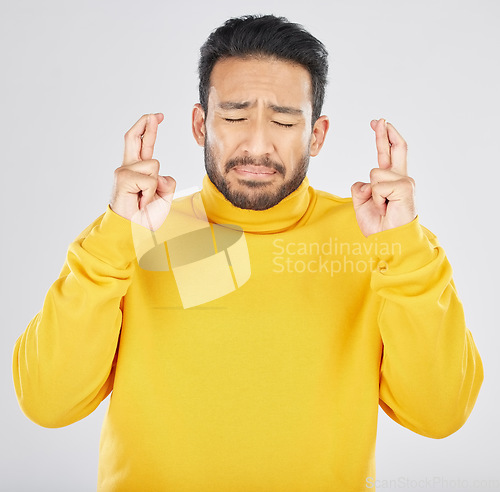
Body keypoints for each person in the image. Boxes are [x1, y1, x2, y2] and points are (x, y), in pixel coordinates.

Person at [13, 14, 483, 492]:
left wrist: (401, 248)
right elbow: (48, 403)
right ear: (200, 123)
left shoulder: (380, 241)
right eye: (234, 117)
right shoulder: (134, 234)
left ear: (316, 135)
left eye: (283, 120)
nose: (257, 145)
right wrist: (116, 237)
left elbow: (439, 414)